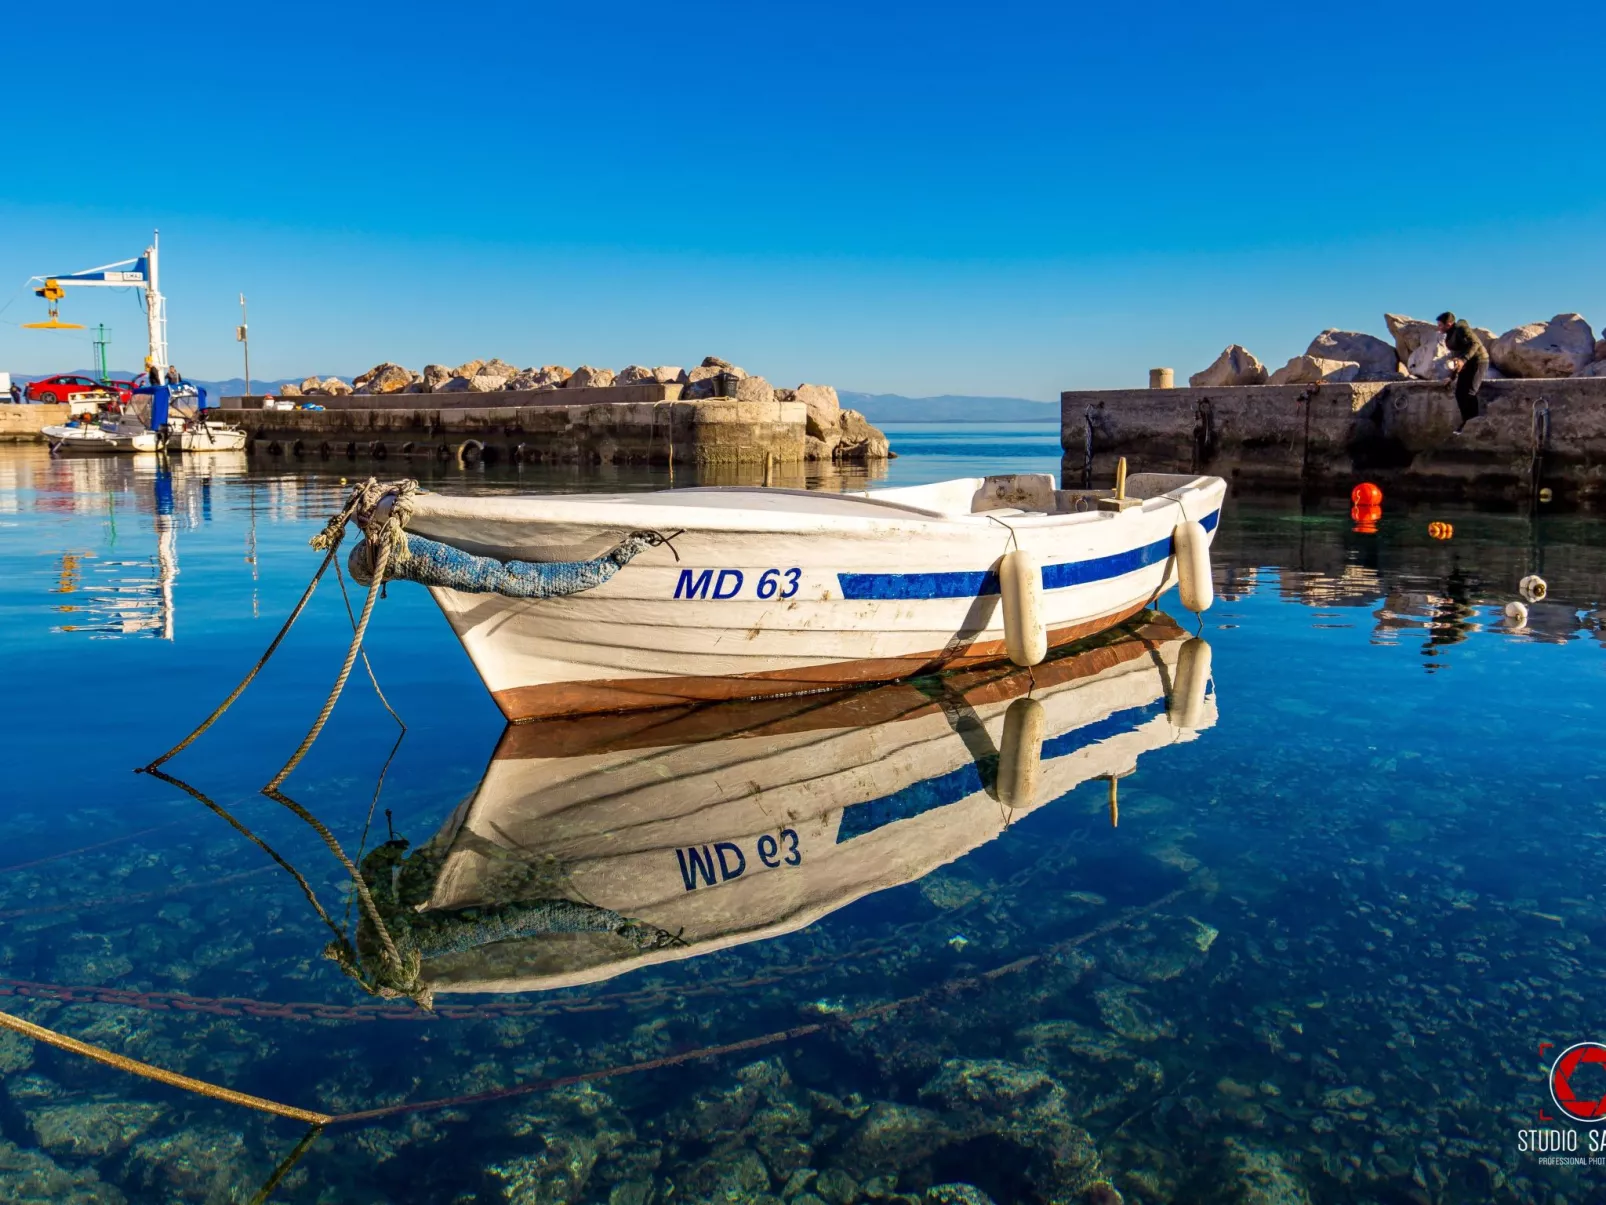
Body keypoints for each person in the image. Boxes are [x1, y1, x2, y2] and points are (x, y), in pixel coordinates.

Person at [1437, 311, 1487, 433]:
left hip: (1479, 361)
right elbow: (1456, 359)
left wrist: (1463, 360)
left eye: (1440, 325)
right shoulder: (1450, 336)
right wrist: (1451, 377)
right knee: (1459, 393)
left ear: (1448, 324)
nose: (1438, 327)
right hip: (1465, 364)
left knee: (1470, 392)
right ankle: (1466, 422)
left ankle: (1474, 424)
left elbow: (1474, 344)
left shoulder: (1461, 329)